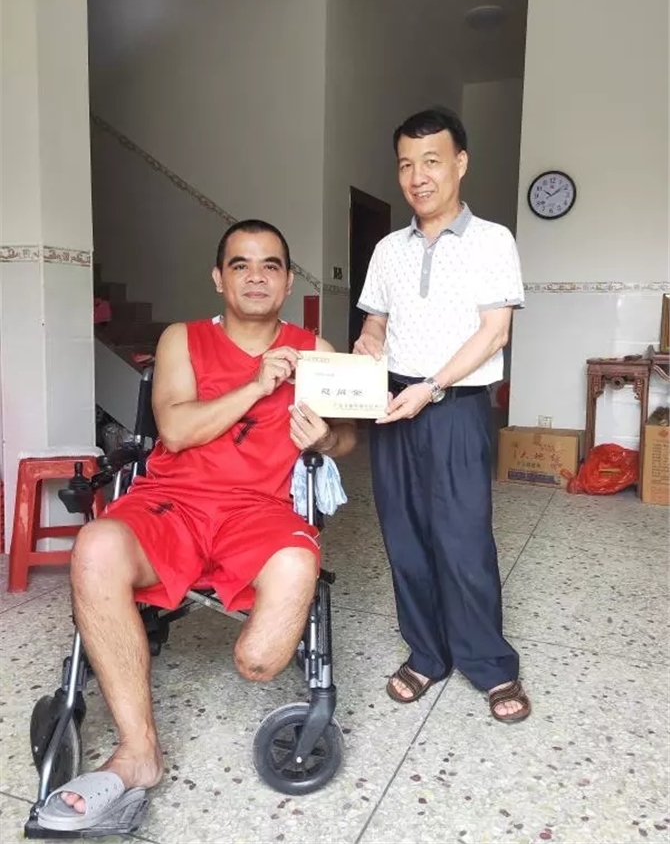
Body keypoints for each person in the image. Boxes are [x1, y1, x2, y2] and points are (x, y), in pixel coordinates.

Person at [37, 219, 357, 833]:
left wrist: (326, 439)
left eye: (270, 265)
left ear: (288, 281)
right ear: (218, 278)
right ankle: (139, 752)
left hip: (260, 510)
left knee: (267, 645)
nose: (256, 276)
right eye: (241, 265)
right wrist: (257, 384)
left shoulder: (314, 349)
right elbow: (177, 431)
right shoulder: (182, 339)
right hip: (171, 502)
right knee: (97, 545)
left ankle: (254, 647)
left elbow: (346, 436)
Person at [353, 107, 530, 724]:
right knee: (404, 537)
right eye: (406, 164)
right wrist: (368, 344)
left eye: (431, 161)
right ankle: (427, 653)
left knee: (463, 540)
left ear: (460, 163)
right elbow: (375, 323)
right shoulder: (387, 249)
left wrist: (430, 387)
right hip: (393, 406)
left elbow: (494, 332)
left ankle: (490, 665)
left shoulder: (493, 240)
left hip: (454, 406)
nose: (417, 177)